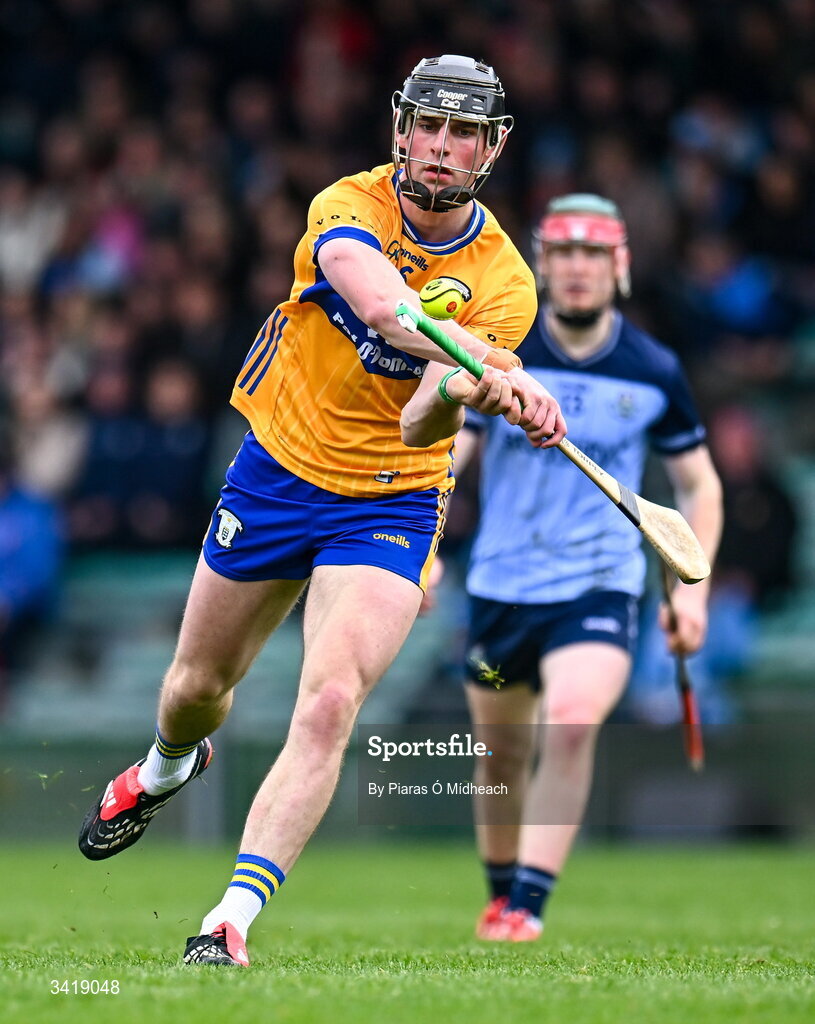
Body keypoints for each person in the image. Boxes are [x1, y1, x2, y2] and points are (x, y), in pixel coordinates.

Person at [77, 55, 566, 966]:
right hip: (280, 469)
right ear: (400, 129)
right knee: (194, 691)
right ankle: (166, 767)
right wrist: (494, 365)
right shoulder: (347, 205)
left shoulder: (505, 282)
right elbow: (383, 307)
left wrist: (472, 392)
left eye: (463, 132)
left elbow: (422, 420)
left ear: (490, 148)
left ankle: (229, 920)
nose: (440, 146)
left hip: (389, 497)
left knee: (330, 700)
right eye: (428, 125)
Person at [449, 194, 723, 941]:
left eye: (592, 255)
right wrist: (420, 550)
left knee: (569, 722)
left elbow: (699, 485)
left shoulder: (652, 369)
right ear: (540, 264)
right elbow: (449, 458)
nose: (576, 269)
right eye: (563, 253)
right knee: (500, 753)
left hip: (598, 585)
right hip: (498, 589)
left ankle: (527, 907)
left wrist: (693, 593)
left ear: (618, 267)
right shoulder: (501, 352)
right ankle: (500, 890)